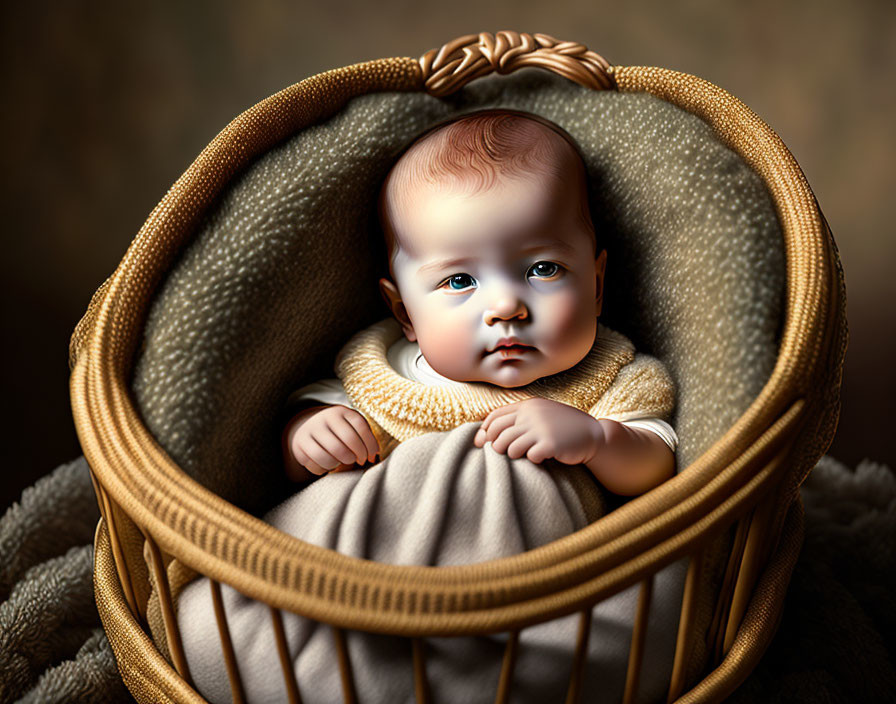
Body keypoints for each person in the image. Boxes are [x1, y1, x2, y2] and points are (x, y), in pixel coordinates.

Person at [281, 109, 679, 497]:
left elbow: (656, 469)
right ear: (406, 315)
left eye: (542, 269)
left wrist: (597, 440)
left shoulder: (613, 379)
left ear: (595, 286)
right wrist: (309, 435)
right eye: (459, 280)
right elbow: (295, 463)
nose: (506, 307)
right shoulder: (382, 378)